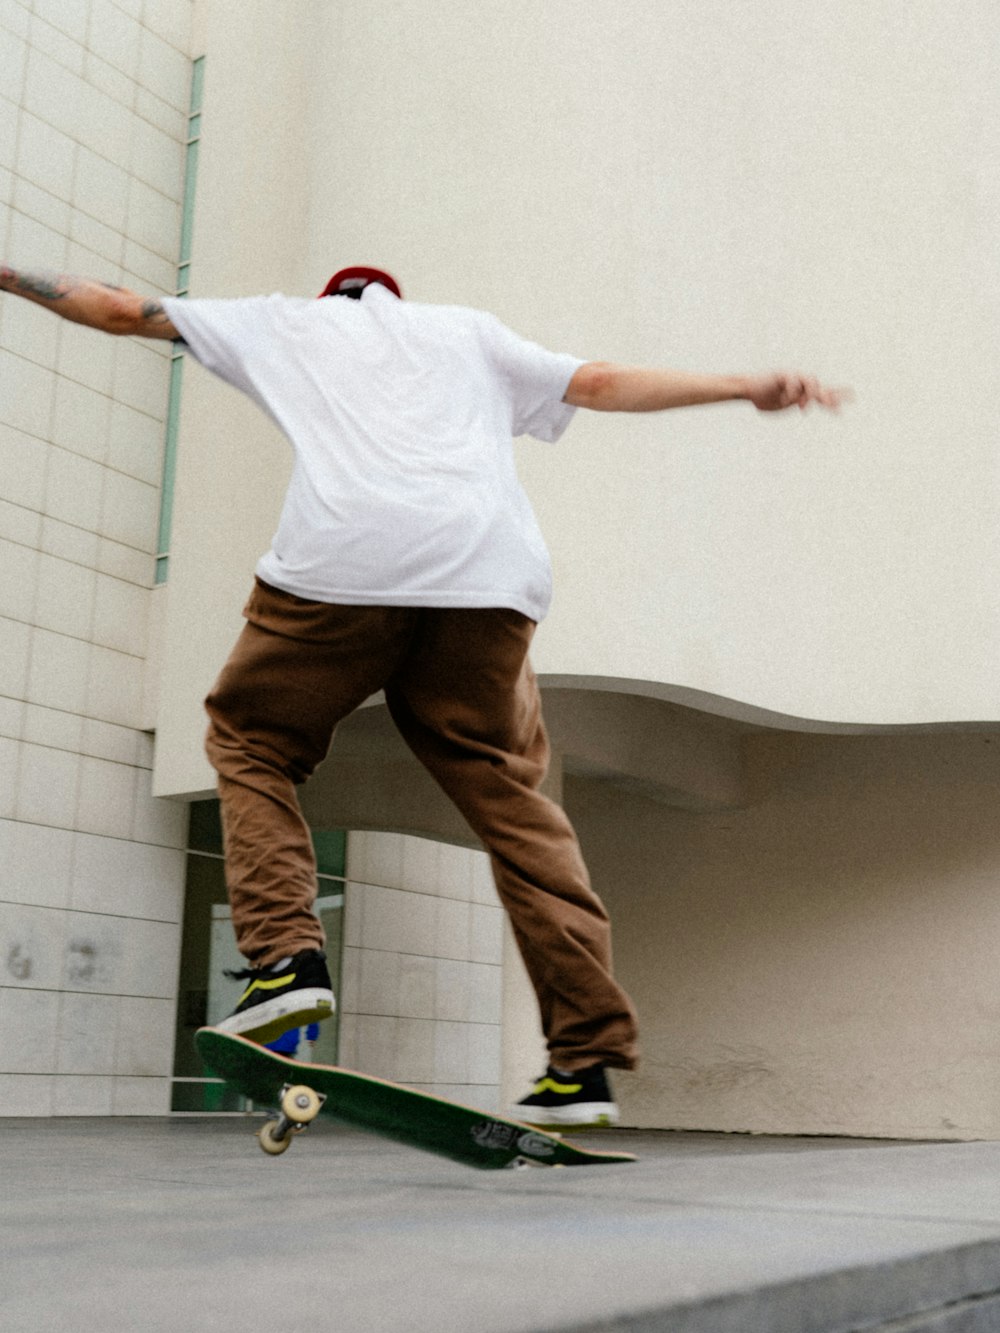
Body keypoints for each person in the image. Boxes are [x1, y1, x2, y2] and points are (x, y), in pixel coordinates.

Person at [0, 261, 845, 1126]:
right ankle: (584, 1060)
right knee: (510, 797)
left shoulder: (285, 322)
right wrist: (742, 385)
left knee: (251, 737)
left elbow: (114, 308)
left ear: (335, 297)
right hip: (488, 577)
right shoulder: (467, 331)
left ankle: (288, 962)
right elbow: (594, 382)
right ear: (395, 300)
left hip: (342, 566)